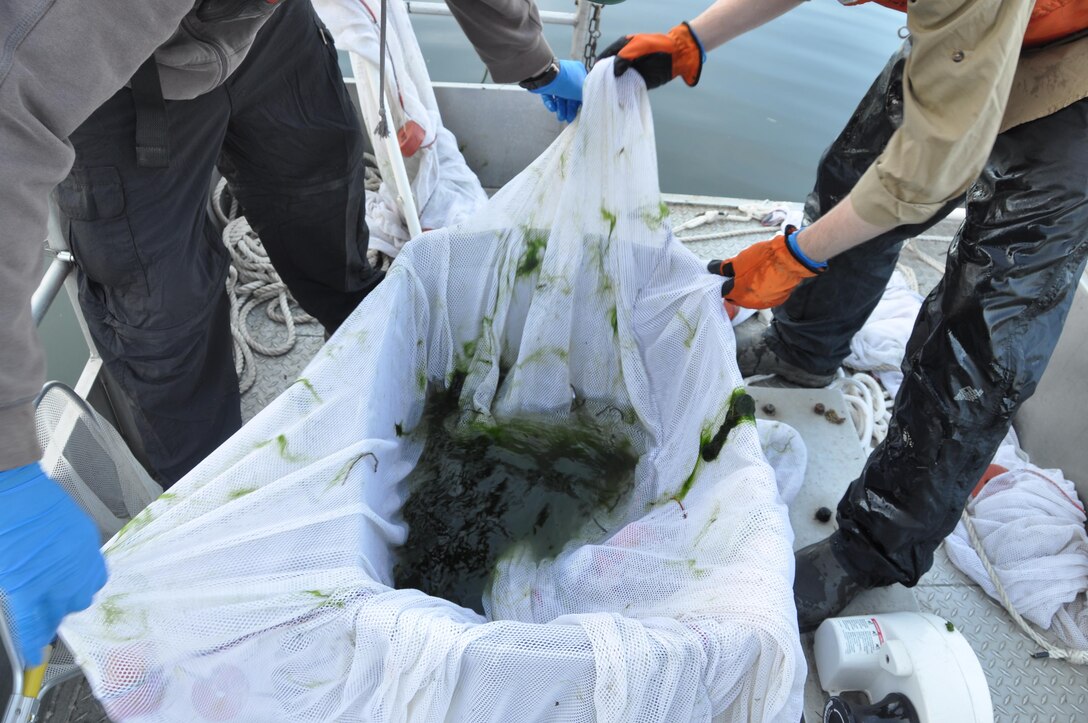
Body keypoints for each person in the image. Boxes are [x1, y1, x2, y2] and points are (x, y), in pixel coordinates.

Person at [0, 0, 582, 668]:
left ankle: (387, 402)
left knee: (325, 202)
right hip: (109, 85)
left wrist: (529, 61)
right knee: (161, 327)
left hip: (262, 26)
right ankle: (226, 570)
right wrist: (6, 456)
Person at [601, 0, 1088, 630]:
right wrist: (691, 37)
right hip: (974, 34)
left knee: (980, 338)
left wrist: (792, 255)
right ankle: (803, 352)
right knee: (854, 172)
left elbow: (927, 172)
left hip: (1073, 71)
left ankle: (870, 548)